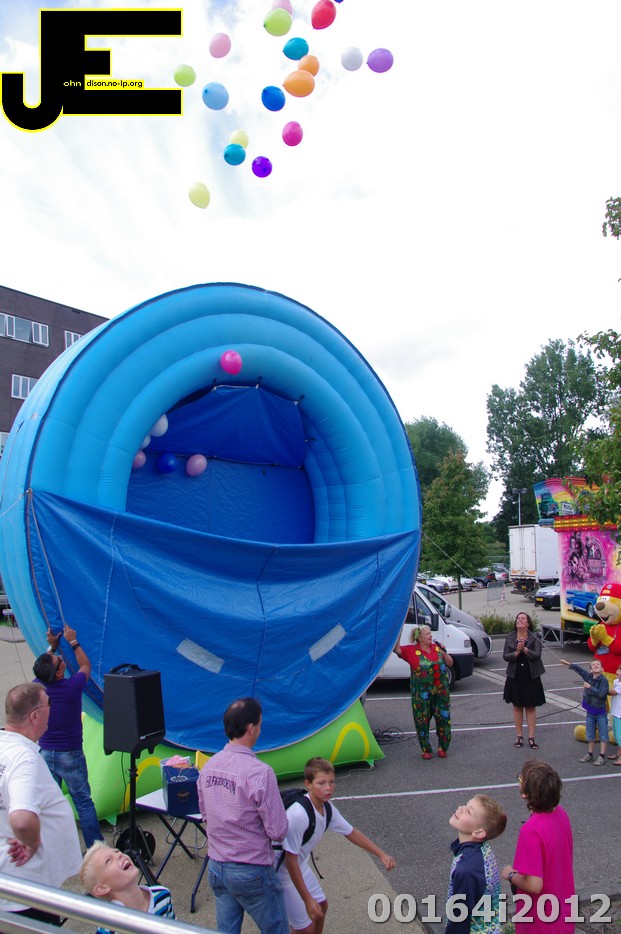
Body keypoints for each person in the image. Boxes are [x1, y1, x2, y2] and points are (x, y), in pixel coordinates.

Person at [197, 696, 289, 934]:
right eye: (259, 724)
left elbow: (205, 814)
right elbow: (278, 831)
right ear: (251, 728)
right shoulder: (260, 772)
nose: (260, 729)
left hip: (217, 866)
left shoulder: (208, 767)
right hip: (252, 870)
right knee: (277, 928)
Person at [277, 757, 396, 934]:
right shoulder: (298, 815)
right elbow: (290, 861)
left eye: (331, 782)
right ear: (308, 784)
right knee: (306, 927)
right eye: (321, 783)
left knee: (321, 906)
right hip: (281, 872)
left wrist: (381, 854)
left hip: (298, 865)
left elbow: (351, 832)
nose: (328, 788)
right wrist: (307, 899)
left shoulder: (328, 808)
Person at [0, 682, 82, 926]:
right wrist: (31, 842)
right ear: (35, 716)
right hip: (27, 885)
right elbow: (22, 820)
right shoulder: (24, 759)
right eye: (49, 704)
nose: (52, 710)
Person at [32, 623, 104, 848]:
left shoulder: (38, 688)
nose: (62, 659)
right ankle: (95, 849)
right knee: (83, 802)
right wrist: (73, 642)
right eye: (59, 660)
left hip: (46, 753)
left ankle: (48, 847)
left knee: (46, 803)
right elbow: (85, 665)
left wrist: (52, 647)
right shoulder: (72, 687)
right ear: (59, 672)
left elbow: (44, 670)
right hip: (70, 755)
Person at [502, 760, 575, 933]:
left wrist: (510, 875)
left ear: (525, 794)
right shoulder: (561, 814)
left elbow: (534, 885)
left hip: (540, 919)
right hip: (563, 909)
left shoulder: (531, 830)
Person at [80, 841, 175, 933]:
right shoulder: (109, 927)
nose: (119, 855)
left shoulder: (162, 895)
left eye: (116, 851)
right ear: (102, 888)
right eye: (108, 861)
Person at [446, 794, 507, 934]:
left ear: (479, 832)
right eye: (466, 804)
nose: (460, 808)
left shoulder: (466, 870)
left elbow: (459, 919)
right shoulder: (481, 850)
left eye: (469, 811)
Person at [393, 620, 454, 758]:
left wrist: (445, 653)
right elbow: (396, 649)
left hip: (441, 693)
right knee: (422, 720)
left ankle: (443, 747)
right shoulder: (411, 651)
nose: (430, 636)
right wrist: (399, 630)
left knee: (443, 719)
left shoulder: (437, 648)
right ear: (419, 638)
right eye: (427, 634)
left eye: (430, 633)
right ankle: (426, 749)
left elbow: (450, 663)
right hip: (421, 695)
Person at [502, 612, 545, 749]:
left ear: (528, 623)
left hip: (531, 676)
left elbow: (537, 654)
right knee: (517, 706)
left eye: (522, 618)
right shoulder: (511, 636)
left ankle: (531, 737)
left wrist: (525, 649)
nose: (519, 620)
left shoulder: (534, 636)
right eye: (518, 618)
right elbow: (505, 656)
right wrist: (516, 652)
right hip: (515, 676)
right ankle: (519, 736)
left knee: (530, 707)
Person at [560, 657, 609, 765]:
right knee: (590, 734)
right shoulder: (588, 676)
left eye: (598, 664)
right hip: (590, 712)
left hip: (601, 712)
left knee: (603, 734)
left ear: (602, 669)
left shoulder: (604, 681)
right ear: (591, 670)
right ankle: (590, 754)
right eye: (593, 665)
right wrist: (567, 663)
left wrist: (590, 687)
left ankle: (601, 756)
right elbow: (580, 670)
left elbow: (602, 694)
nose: (596, 665)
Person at [607, 663, 621, 765]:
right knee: (616, 734)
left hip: (619, 714)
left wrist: (601, 689)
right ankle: (618, 753)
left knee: (620, 736)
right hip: (615, 713)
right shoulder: (617, 681)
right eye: (619, 669)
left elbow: (612, 692)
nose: (618, 672)